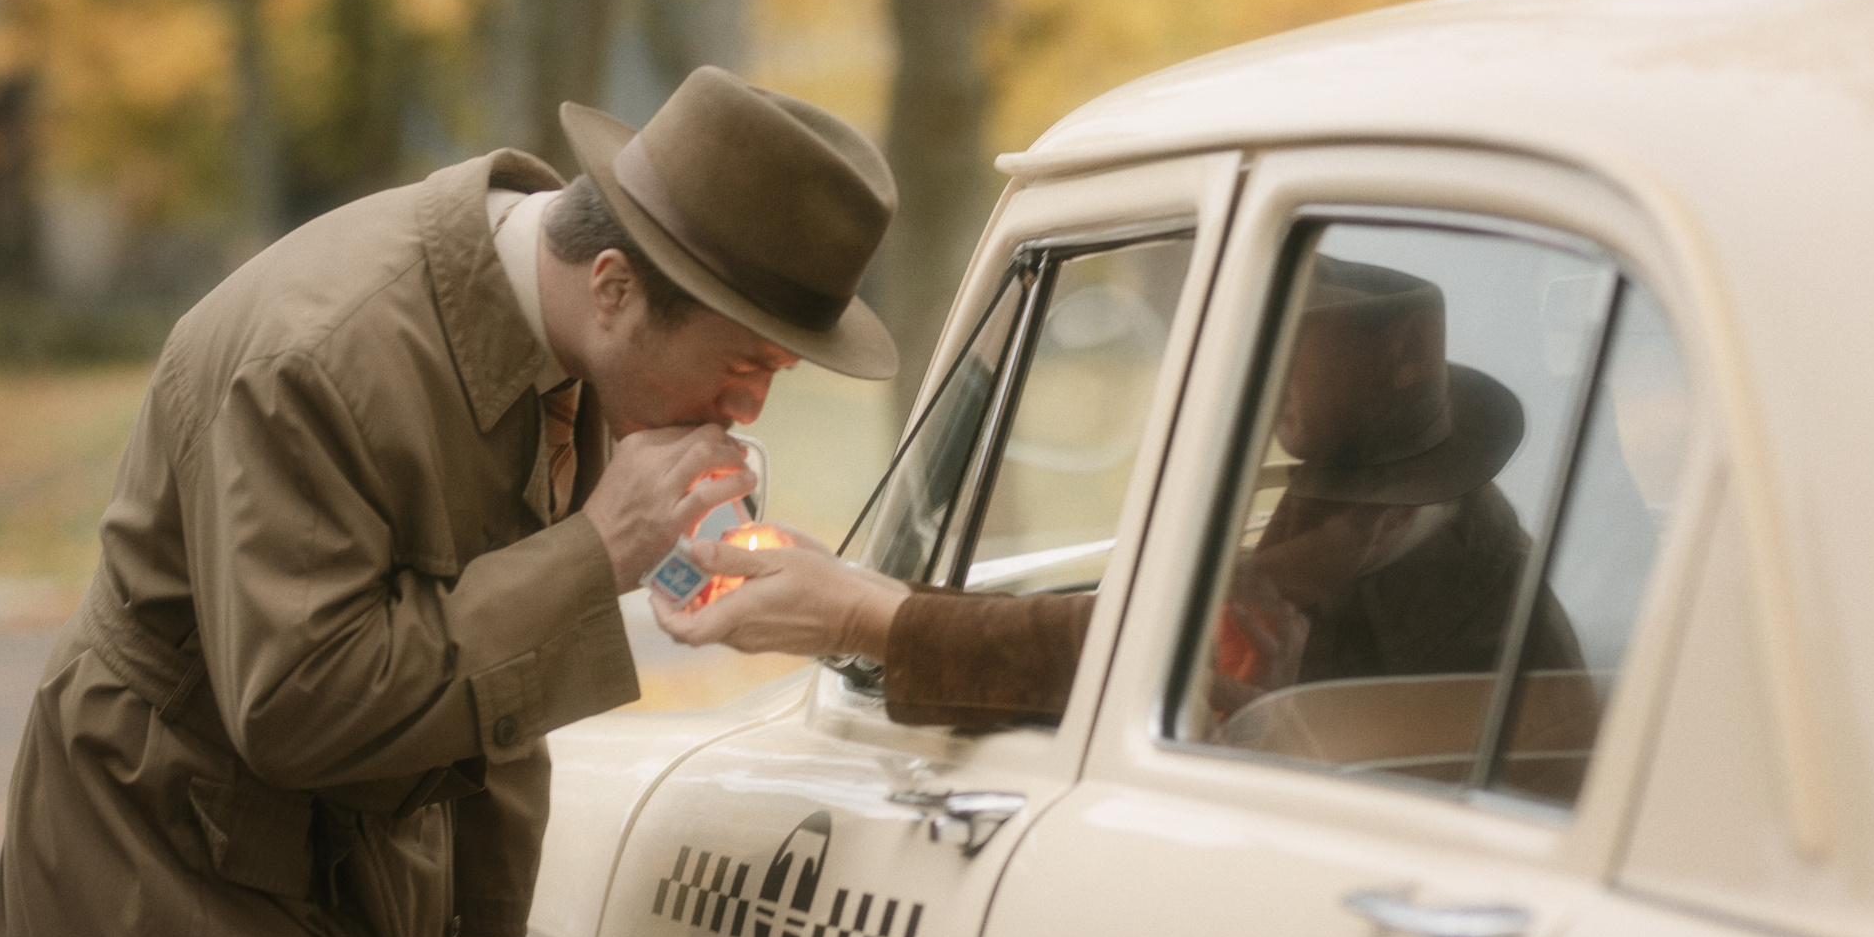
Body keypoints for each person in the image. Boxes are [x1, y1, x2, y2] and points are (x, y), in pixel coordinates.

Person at [0, 67, 898, 937]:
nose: (750, 408)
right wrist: (594, 552)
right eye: (745, 362)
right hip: (178, 865)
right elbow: (298, 703)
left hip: (353, 863)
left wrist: (489, 913)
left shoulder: (579, 353)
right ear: (614, 286)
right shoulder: (316, 360)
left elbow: (482, 627)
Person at [656, 255, 1579, 735]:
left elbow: (1142, 644)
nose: (1260, 366)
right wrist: (872, 601)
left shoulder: (1375, 548)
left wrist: (872, 623)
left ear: (1399, 362)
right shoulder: (1423, 528)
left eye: (1298, 338)